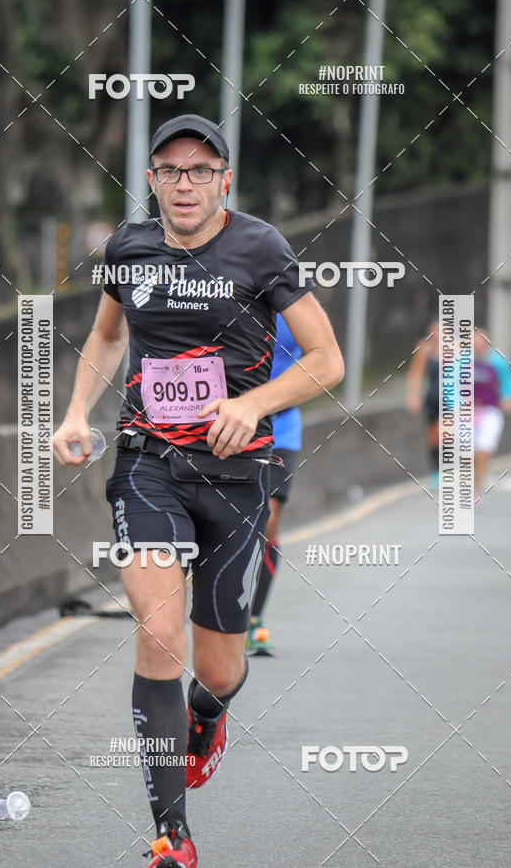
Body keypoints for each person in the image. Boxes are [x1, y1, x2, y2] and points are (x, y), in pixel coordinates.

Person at [51, 114, 344, 867]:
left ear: (225, 179)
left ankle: (206, 716)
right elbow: (110, 334)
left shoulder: (260, 247)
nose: (185, 184)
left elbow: (326, 358)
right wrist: (78, 411)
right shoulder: (129, 245)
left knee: (217, 667)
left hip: (238, 471)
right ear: (152, 180)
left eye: (200, 170)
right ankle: (170, 835)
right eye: (171, 171)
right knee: (156, 634)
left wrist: (252, 404)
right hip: (148, 461)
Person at [246, 313, 303, 656]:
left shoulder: (294, 305)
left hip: (280, 428)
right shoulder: (226, 292)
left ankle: (254, 619)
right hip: (225, 422)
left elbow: (323, 355)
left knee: (268, 520)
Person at [473, 328, 511, 502]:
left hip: (491, 411)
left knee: (484, 450)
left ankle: (475, 489)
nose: (478, 346)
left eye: (481, 342)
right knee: (469, 453)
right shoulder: (462, 361)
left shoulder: (498, 361)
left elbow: (507, 382)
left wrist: (508, 398)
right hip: (468, 412)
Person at [406, 320, 440, 487]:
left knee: (447, 433)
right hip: (433, 397)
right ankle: (437, 470)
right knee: (434, 438)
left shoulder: (457, 348)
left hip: (451, 399)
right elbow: (416, 373)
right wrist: (413, 396)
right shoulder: (424, 349)